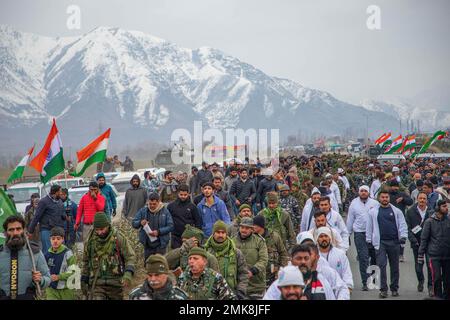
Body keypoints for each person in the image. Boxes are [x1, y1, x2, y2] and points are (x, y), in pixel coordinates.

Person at [81, 212, 136, 300]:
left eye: (102, 229)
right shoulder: (90, 241)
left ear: (108, 225)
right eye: (97, 229)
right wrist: (84, 278)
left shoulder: (118, 238)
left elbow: (130, 256)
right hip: (97, 284)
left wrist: (128, 273)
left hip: (116, 284)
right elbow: (86, 261)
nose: (100, 232)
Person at [366, 190, 408, 298]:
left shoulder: (396, 211)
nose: (385, 199)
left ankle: (394, 289)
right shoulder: (373, 212)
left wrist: (403, 236)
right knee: (382, 266)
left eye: (386, 197)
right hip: (380, 243)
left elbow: (402, 224)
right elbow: (369, 227)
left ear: (389, 198)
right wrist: (369, 241)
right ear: (379, 198)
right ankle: (383, 290)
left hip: (394, 242)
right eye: (383, 197)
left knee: (395, 267)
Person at [0, 215, 51, 300]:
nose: (15, 233)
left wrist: (40, 280)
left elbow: (47, 278)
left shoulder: (35, 253)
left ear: (24, 231)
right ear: (5, 233)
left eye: (18, 229)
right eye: (11, 230)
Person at [263, 244, 336, 300]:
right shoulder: (280, 283)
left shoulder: (321, 281)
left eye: (306, 258)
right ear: (291, 260)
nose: (303, 262)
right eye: (299, 258)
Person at [204, 221, 248, 299]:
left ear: (226, 234)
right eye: (218, 232)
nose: (220, 235)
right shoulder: (205, 252)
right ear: (213, 233)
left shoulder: (235, 252)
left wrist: (241, 290)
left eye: (223, 232)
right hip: (211, 295)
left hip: (232, 294)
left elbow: (243, 273)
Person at [346, 185, 378, 290]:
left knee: (374, 258)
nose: (363, 193)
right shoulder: (354, 204)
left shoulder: (374, 203)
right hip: (359, 233)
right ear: (359, 192)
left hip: (373, 233)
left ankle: (373, 280)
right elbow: (350, 219)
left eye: (365, 191)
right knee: (363, 258)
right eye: (361, 191)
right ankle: (365, 282)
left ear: (368, 193)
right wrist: (347, 234)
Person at [418, 200, 450, 299]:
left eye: (447, 206)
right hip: (434, 255)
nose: (446, 208)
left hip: (447, 255)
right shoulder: (429, 222)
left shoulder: (448, 220)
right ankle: (438, 296)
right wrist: (420, 255)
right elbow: (424, 239)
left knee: (447, 279)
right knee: (436, 278)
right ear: (438, 208)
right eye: (444, 206)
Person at [232, 217, 268, 299]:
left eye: (247, 228)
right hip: (238, 285)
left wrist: (253, 270)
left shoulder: (259, 241)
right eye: (242, 227)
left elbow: (264, 260)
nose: (244, 230)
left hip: (256, 285)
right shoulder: (232, 241)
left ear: (252, 229)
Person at [406, 192, 433, 295]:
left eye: (424, 198)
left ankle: (430, 286)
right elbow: (407, 228)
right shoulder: (410, 211)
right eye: (420, 198)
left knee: (430, 266)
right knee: (419, 266)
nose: (422, 200)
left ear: (427, 200)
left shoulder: (431, 211)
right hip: (417, 243)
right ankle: (420, 281)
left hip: (430, 243)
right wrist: (413, 240)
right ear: (417, 199)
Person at [132, 193, 174, 260]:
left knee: (160, 264)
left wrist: (159, 232)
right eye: (150, 204)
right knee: (148, 265)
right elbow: (134, 223)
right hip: (148, 244)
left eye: (154, 204)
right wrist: (140, 222)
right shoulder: (143, 211)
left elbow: (171, 226)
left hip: (161, 244)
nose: (152, 206)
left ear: (158, 202)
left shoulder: (165, 211)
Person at [28, 185, 66, 253]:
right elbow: (37, 216)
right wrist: (30, 231)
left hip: (58, 230)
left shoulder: (60, 201)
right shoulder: (44, 201)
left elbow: (62, 214)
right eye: (60, 191)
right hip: (46, 230)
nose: (61, 193)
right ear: (56, 192)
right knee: (48, 251)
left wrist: (65, 216)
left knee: (59, 252)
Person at [253, 215, 288, 286]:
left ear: (260, 226)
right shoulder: (252, 238)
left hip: (273, 276)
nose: (252, 227)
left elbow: (283, 253)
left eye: (254, 225)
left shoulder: (274, 237)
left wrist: (281, 270)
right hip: (257, 278)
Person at [44, 227, 77, 300]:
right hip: (51, 289)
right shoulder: (46, 254)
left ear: (62, 239)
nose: (55, 241)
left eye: (58, 239)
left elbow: (73, 272)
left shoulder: (68, 253)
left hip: (66, 290)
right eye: (53, 238)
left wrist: (59, 277)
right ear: (50, 239)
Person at [167, 184, 202, 249]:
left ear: (188, 194)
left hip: (189, 237)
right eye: (181, 195)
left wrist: (196, 236)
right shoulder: (171, 206)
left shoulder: (192, 207)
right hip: (175, 237)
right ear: (178, 193)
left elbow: (198, 222)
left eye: (185, 195)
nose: (183, 196)